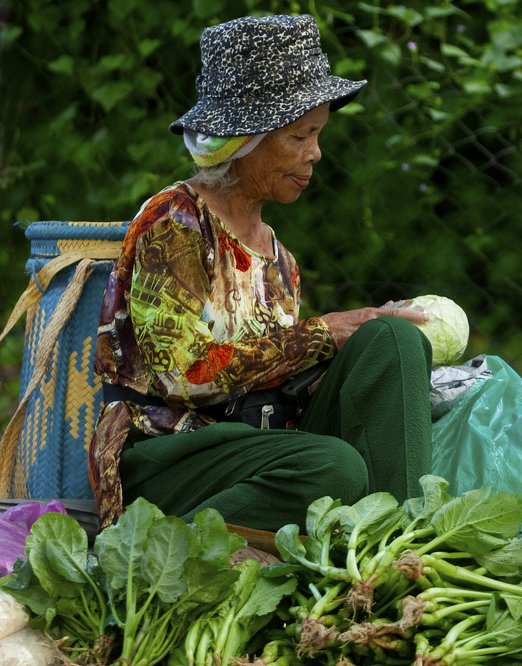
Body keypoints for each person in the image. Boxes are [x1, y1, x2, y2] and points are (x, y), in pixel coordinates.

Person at [87, 14, 434, 532]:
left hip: (261, 445)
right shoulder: (176, 224)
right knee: (332, 468)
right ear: (244, 140)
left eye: (317, 135)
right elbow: (183, 376)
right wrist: (322, 334)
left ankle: (402, 548)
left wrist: (353, 357)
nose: (315, 153)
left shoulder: (279, 258)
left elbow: (276, 379)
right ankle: (165, 543)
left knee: (392, 340)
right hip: (172, 454)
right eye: (301, 135)